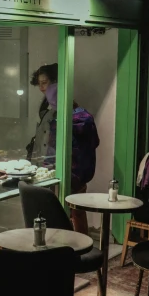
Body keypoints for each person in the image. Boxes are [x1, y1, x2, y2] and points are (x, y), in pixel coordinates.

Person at [28, 64, 99, 235]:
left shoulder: (77, 118)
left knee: (72, 212)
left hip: (69, 175)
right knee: (62, 213)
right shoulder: (50, 114)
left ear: (58, 84)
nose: (42, 89)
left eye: (45, 83)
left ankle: (77, 250)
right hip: (51, 173)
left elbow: (85, 149)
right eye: (40, 84)